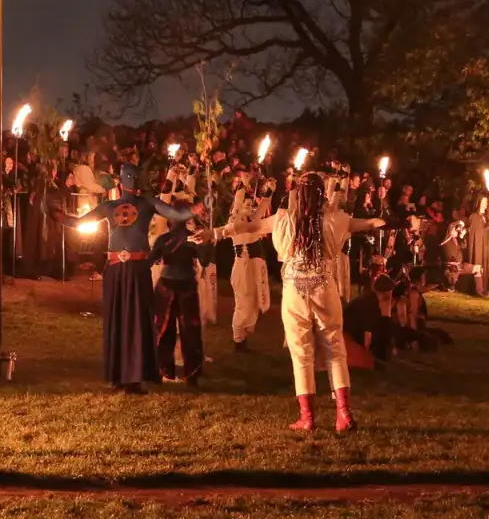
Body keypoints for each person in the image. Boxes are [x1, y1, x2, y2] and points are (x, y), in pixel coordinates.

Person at [220, 171, 384, 432]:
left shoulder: (284, 218)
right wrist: (381, 221)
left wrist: (217, 232)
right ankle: (344, 414)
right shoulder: (334, 219)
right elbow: (364, 224)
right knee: (335, 349)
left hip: (295, 288)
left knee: (301, 353)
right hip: (323, 285)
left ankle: (307, 418)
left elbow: (251, 227)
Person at [66, 161, 202, 393]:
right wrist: (194, 209)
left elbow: (77, 222)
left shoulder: (129, 204)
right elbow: (175, 213)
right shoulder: (135, 204)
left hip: (130, 269)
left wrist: (193, 210)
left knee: (131, 319)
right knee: (129, 320)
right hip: (124, 270)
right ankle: (125, 377)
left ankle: (130, 376)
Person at [150, 218, 206, 385]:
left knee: (173, 330)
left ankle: (171, 371)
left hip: (178, 286)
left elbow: (152, 258)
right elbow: (205, 258)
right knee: (177, 330)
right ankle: (184, 373)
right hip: (174, 286)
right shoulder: (189, 238)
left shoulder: (186, 238)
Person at [228, 173, 274, 351]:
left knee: (254, 300)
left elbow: (262, 208)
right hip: (241, 266)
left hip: (254, 266)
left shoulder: (253, 221)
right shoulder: (234, 221)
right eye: (245, 205)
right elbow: (237, 207)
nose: (249, 207)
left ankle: (244, 337)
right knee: (243, 301)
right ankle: (238, 339)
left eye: (250, 204)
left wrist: (269, 191)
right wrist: (242, 185)